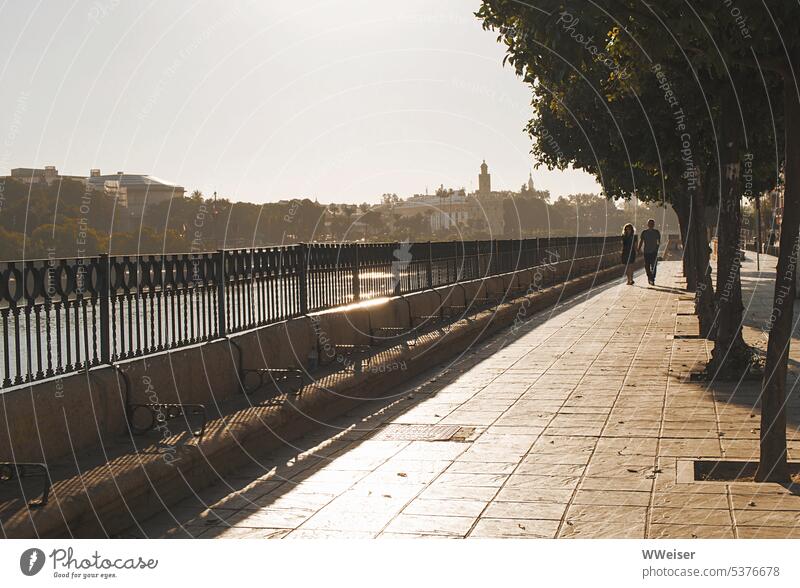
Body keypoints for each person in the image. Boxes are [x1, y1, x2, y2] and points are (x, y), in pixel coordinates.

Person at [638, 218, 661, 286]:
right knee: (647, 266)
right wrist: (639, 249)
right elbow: (641, 241)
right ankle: (649, 277)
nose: (651, 225)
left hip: (654, 251)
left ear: (654, 225)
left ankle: (652, 278)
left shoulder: (657, 232)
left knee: (654, 265)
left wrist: (656, 248)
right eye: (649, 223)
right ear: (647, 224)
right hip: (646, 252)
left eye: (652, 223)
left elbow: (658, 242)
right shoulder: (644, 232)